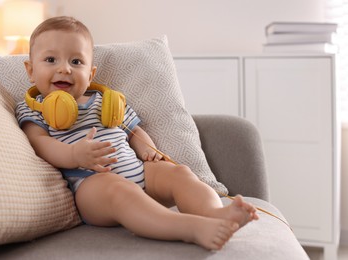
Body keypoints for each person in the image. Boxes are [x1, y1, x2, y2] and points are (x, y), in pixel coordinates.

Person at [15, 16, 258, 251]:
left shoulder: (105, 101)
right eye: (50, 59)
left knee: (180, 173)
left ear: (90, 75)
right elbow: (39, 143)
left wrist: (147, 149)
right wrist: (74, 154)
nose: (65, 69)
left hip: (139, 172)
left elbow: (134, 131)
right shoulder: (34, 108)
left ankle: (215, 214)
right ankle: (188, 228)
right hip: (91, 186)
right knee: (118, 190)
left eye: (76, 62)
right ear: (30, 70)